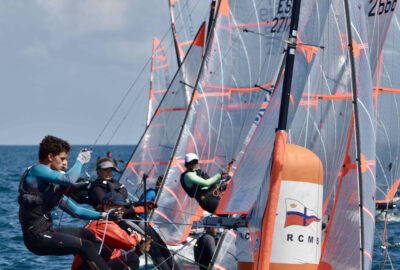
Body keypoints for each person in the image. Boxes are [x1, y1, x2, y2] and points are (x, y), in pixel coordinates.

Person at [18, 135, 120, 270]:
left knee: (89, 235)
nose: (66, 163)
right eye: (62, 159)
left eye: (67, 159)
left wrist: (105, 216)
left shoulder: (50, 188)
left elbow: (77, 211)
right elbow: (69, 179)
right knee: (85, 246)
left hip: (47, 231)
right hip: (36, 237)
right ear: (50, 157)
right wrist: (80, 160)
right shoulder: (37, 170)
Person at [70, 157, 178, 270]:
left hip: (128, 219)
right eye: (105, 170)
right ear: (98, 171)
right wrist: (136, 211)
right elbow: (112, 210)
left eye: (111, 170)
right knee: (151, 246)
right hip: (118, 222)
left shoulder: (114, 184)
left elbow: (123, 204)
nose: (109, 172)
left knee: (158, 243)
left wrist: (142, 205)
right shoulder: (97, 188)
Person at [71, 192, 152, 270]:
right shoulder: (103, 223)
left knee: (132, 257)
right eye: (118, 210)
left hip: (93, 266)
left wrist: (139, 251)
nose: (121, 213)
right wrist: (138, 236)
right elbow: (129, 243)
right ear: (106, 208)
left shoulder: (97, 221)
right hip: (87, 267)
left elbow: (114, 256)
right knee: (132, 258)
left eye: (122, 210)